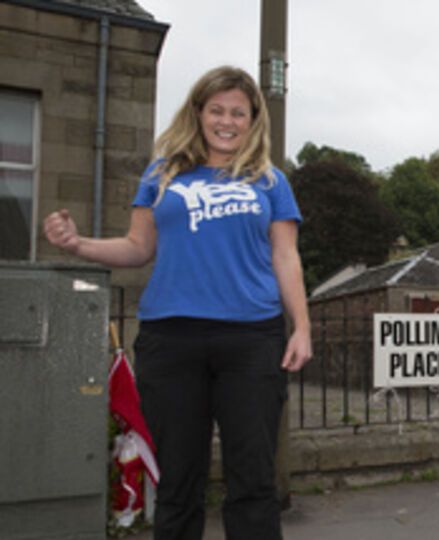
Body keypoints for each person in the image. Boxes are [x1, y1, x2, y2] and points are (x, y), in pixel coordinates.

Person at [44, 66, 312, 540]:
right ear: (199, 113)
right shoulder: (162, 173)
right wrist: (77, 244)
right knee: (178, 482)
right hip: (171, 341)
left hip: (251, 339)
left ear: (253, 121)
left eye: (238, 113)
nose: (227, 121)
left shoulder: (270, 181)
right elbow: (137, 247)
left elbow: (285, 256)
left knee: (252, 479)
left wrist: (302, 328)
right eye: (217, 110)